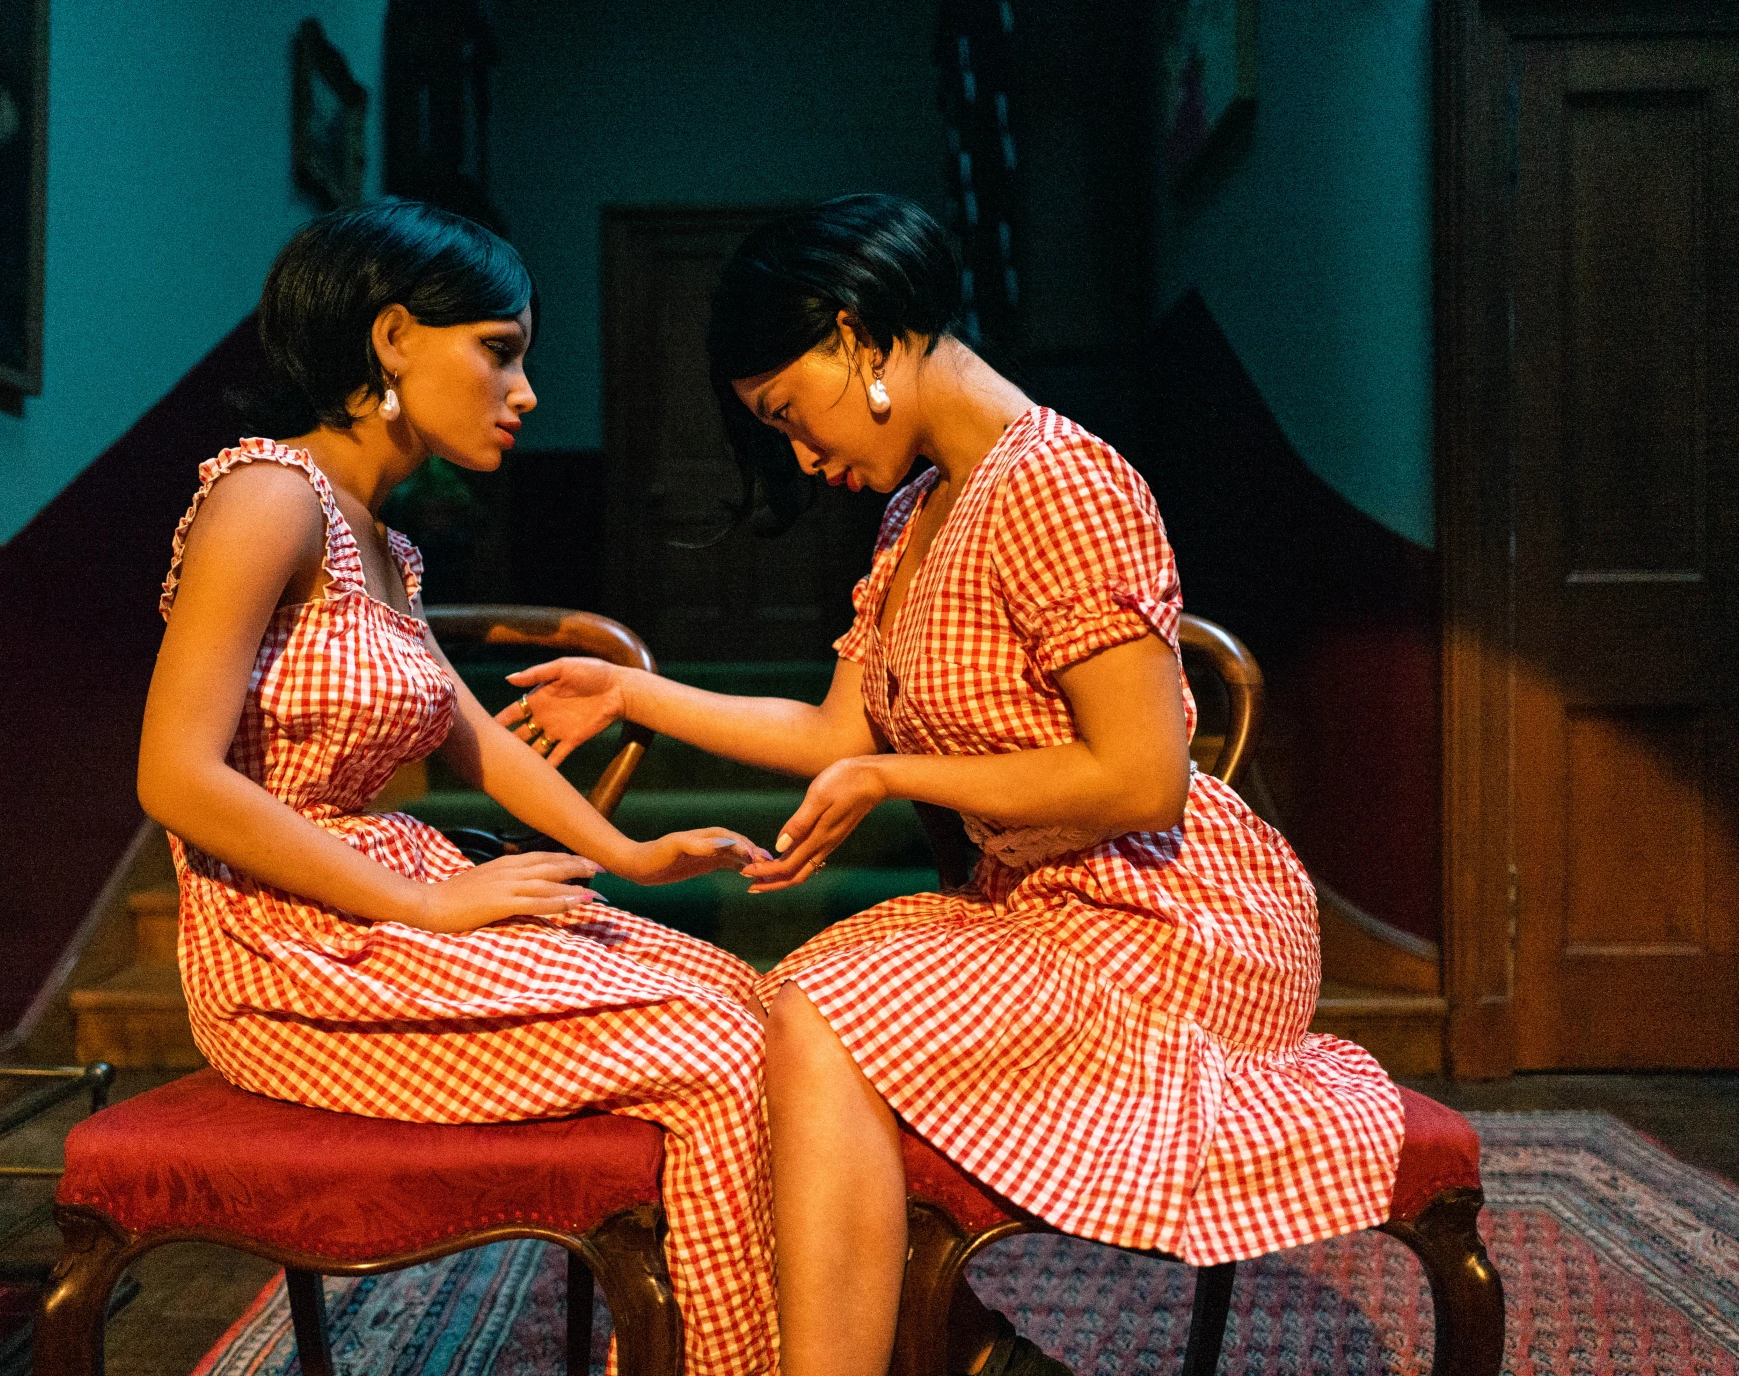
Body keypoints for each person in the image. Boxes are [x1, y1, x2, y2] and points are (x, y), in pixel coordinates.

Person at [499, 194, 1405, 1376]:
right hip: (1038, 909)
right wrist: (633, 696)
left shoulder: (1060, 482)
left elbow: (1141, 781)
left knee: (822, 1011)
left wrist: (887, 771)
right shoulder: (918, 510)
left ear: (853, 334)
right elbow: (832, 727)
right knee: (767, 1007)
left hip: (1167, 920)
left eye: (787, 413)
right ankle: (956, 1350)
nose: (798, 453)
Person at [137, 200, 780, 1376]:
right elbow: (174, 775)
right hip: (290, 950)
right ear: (390, 338)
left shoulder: (379, 537)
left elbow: (471, 736)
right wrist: (429, 907)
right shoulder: (266, 496)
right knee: (713, 1049)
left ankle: (735, 1339)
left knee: (753, 998)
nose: (525, 389)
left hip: (385, 907)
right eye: (500, 347)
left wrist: (629, 856)